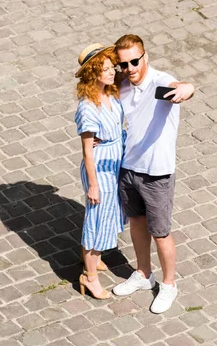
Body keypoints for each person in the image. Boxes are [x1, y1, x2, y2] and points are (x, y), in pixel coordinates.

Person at [111, 34, 195, 314]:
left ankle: (169, 284)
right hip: (129, 166)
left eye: (135, 61)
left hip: (157, 173)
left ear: (145, 57)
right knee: (136, 222)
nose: (131, 68)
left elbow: (180, 86)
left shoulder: (159, 81)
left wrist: (186, 88)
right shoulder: (122, 83)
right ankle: (144, 274)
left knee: (160, 233)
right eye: (124, 64)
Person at [74, 43, 126, 300]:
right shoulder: (87, 108)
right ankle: (89, 276)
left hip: (115, 163)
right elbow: (87, 151)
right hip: (100, 168)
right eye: (105, 69)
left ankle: (95, 260)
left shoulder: (111, 93)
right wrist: (92, 185)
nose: (112, 72)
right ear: (92, 73)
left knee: (108, 214)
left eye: (112, 67)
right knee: (96, 220)